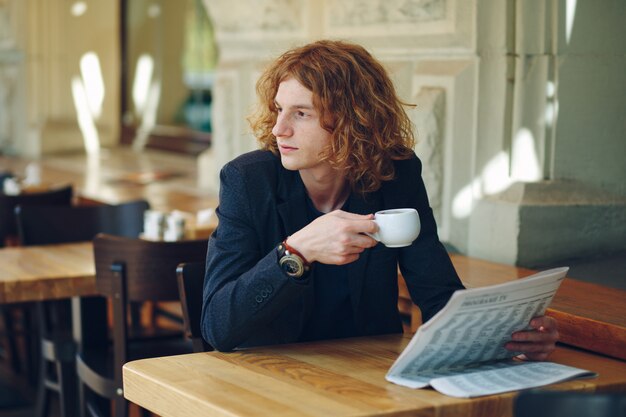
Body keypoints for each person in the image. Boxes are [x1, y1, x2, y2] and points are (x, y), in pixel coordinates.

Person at [201, 40, 558, 359]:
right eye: (279, 109)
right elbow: (218, 327)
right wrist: (295, 252)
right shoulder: (248, 181)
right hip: (272, 373)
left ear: (352, 120)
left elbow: (437, 293)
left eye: (301, 113)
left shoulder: (393, 173)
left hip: (367, 368)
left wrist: (506, 336)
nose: (280, 128)